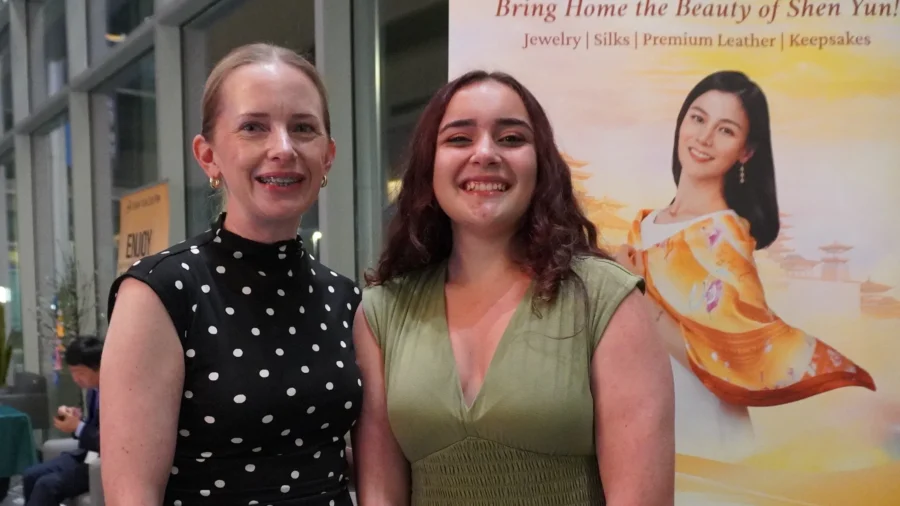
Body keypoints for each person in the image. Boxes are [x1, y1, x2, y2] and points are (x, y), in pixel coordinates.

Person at [352, 70, 675, 505]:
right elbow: (380, 495)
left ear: (541, 165)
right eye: (459, 139)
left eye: (510, 138)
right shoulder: (382, 312)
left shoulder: (606, 300)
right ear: (429, 166)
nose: (485, 153)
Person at [99, 43, 361, 506]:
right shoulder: (162, 292)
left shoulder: (344, 298)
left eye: (303, 128)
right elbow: (132, 494)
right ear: (208, 156)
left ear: (328, 155)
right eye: (253, 127)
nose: (283, 148)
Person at [614, 70, 876, 462]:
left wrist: (636, 292)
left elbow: (730, 356)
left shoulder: (724, 236)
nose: (704, 138)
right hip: (644, 420)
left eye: (726, 130)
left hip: (703, 429)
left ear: (746, 151)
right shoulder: (646, 223)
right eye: (698, 118)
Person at [22, 336, 102, 506]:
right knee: (30, 474)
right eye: (72, 372)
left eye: (80, 372)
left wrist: (78, 426)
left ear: (99, 367)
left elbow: (107, 442)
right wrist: (77, 420)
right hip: (86, 455)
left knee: (46, 485)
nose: (76, 378)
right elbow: (94, 427)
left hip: (101, 464)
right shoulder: (93, 391)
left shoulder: (116, 394)